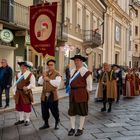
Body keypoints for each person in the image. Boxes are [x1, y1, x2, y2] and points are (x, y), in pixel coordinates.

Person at [67, 55, 92, 136]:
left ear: (82, 61)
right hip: (73, 93)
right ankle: (72, 128)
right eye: (75, 60)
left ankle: (80, 128)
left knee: (82, 111)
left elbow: (89, 85)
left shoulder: (86, 71)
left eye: (78, 60)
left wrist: (86, 94)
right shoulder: (72, 70)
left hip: (81, 93)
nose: (76, 62)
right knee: (72, 111)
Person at [38, 59, 61, 130]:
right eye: (49, 65)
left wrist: (49, 80)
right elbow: (40, 82)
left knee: (54, 110)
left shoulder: (57, 74)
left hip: (53, 95)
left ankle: (57, 121)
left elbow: (57, 83)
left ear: (54, 65)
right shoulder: (45, 73)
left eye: (51, 65)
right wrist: (43, 77)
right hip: (44, 95)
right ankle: (46, 123)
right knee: (44, 110)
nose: (50, 66)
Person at [13, 61, 36, 126]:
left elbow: (33, 85)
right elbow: (14, 84)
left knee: (26, 106)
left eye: (24, 66)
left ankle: (27, 120)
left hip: (26, 93)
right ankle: (21, 119)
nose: (22, 68)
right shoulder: (17, 75)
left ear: (27, 68)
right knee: (19, 106)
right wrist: (14, 93)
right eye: (21, 66)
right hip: (18, 93)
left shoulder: (30, 75)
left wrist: (28, 87)